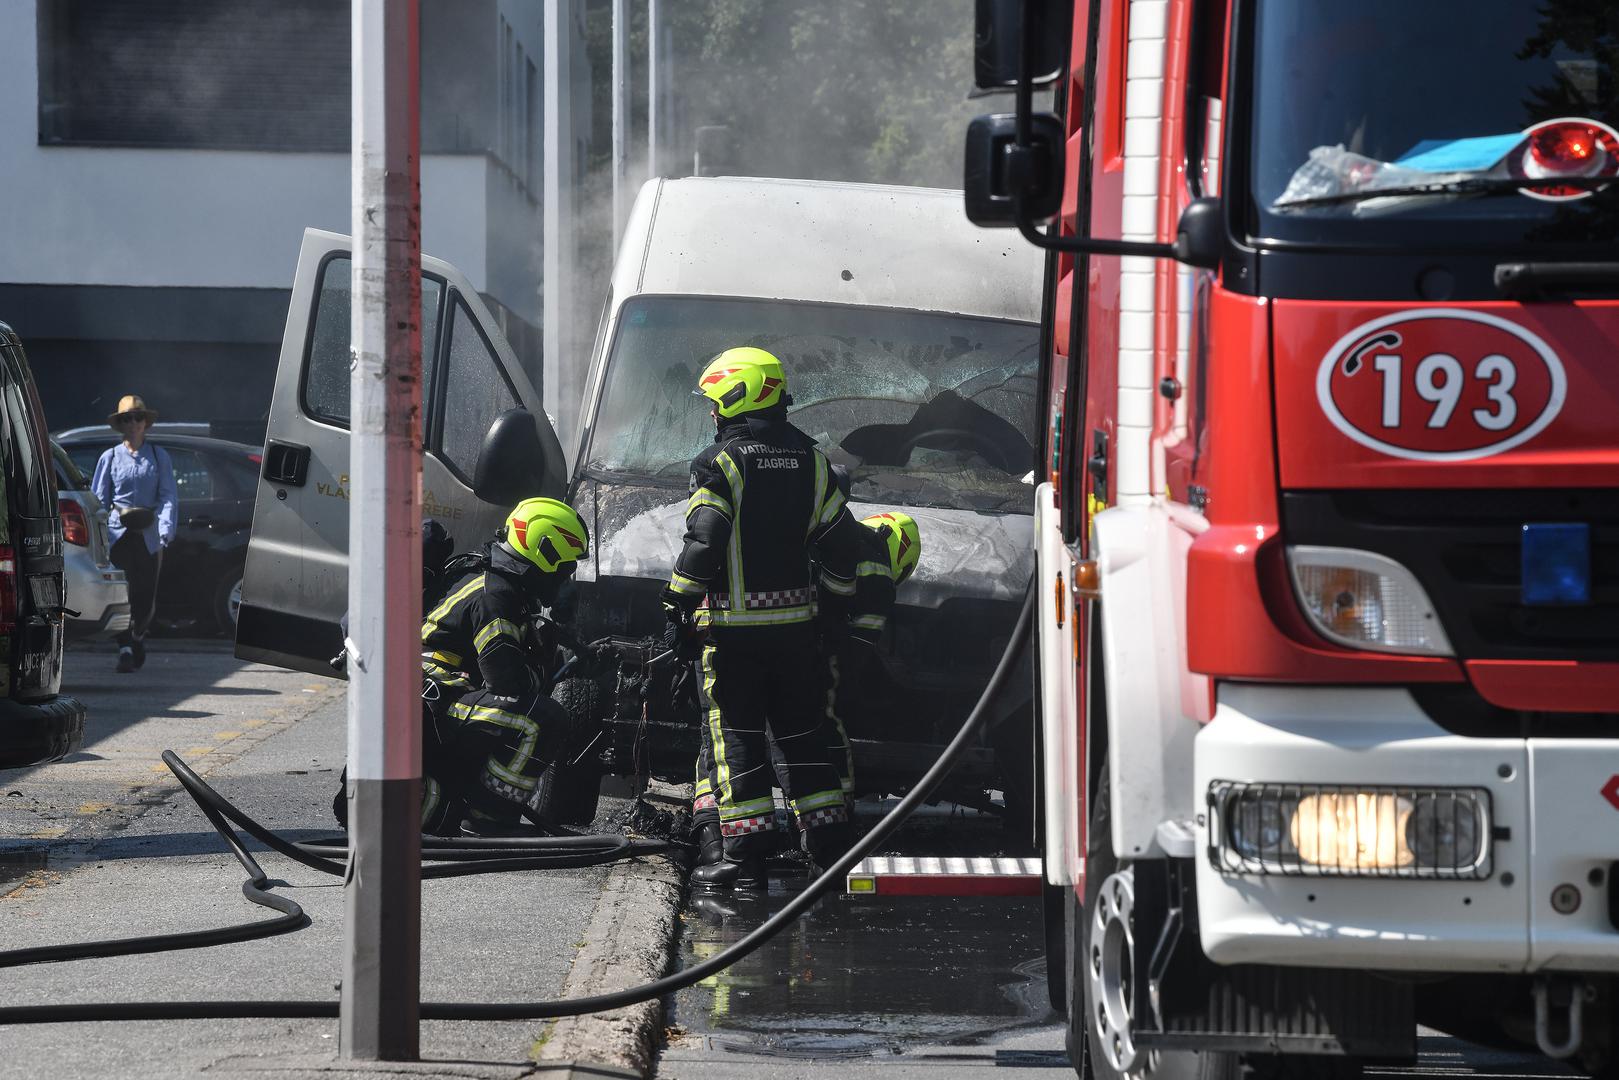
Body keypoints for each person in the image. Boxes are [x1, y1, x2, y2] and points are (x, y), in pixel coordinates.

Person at [665, 346, 865, 890]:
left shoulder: (720, 464)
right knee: (805, 737)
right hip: (799, 638)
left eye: (714, 401)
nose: (711, 413)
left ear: (738, 395)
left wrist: (675, 602)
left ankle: (742, 857)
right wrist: (835, 607)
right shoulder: (813, 461)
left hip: (734, 639)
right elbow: (844, 548)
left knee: (737, 739)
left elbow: (705, 544)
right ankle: (826, 851)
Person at [334, 497, 589, 836]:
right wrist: (544, 658)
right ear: (545, 552)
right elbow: (509, 683)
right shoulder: (494, 596)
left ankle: (455, 806)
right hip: (433, 707)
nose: (566, 579)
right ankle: (488, 819)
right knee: (541, 719)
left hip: (428, 711)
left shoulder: (480, 574)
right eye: (566, 568)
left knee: (513, 714)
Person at [819, 509, 922, 804]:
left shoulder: (838, 537)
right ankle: (835, 810)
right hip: (817, 657)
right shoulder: (879, 579)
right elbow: (856, 653)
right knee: (827, 725)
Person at [91, 395, 178, 674]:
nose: (133, 424)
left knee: (144, 594)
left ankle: (138, 636)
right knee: (122, 592)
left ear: (145, 423)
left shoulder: (158, 456)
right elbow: (99, 499)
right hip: (118, 533)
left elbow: (168, 496)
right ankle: (125, 647)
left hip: (148, 534)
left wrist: (165, 529)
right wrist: (98, 535)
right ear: (120, 424)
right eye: (127, 419)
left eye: (137, 418)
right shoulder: (110, 457)